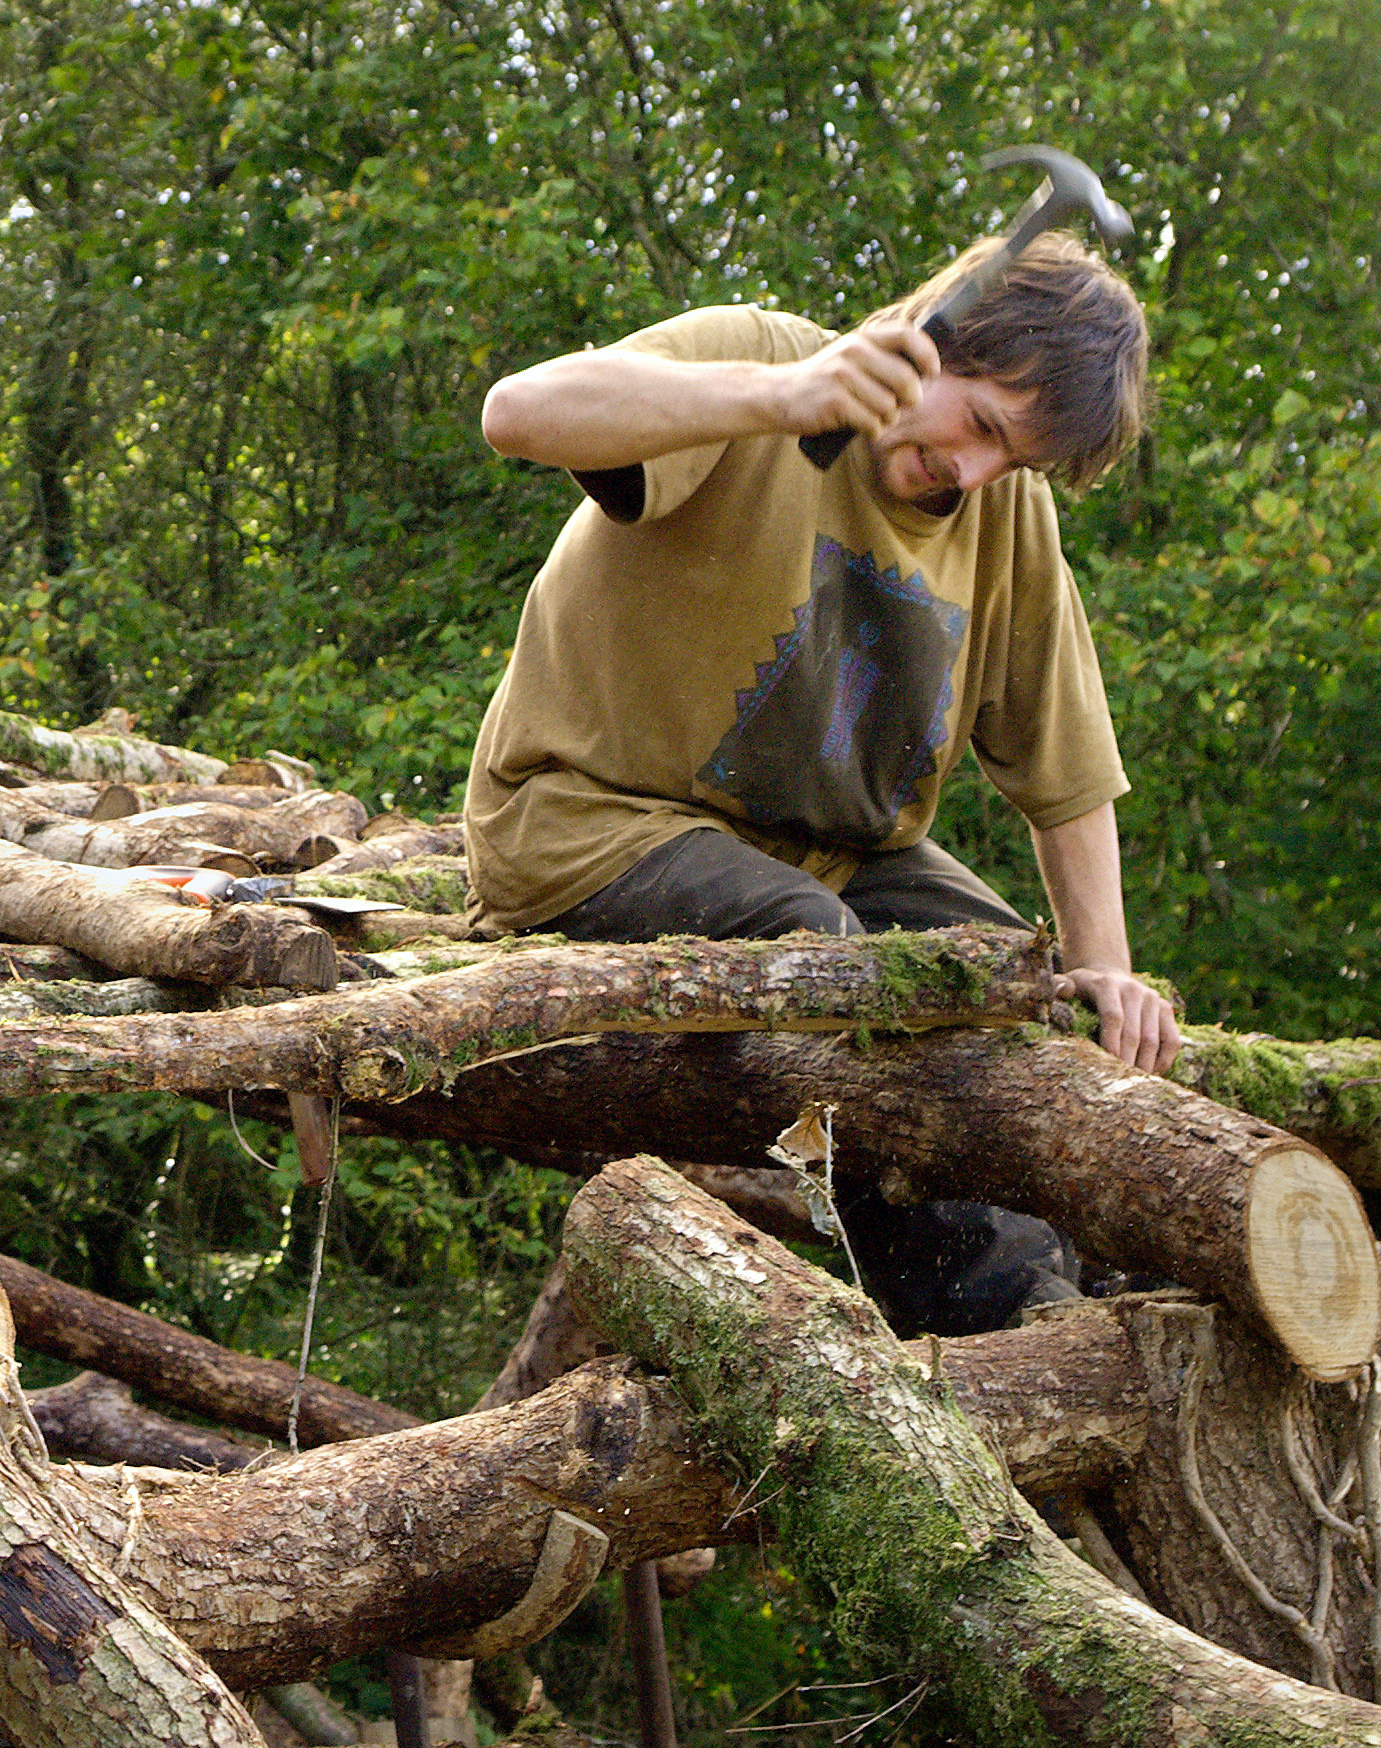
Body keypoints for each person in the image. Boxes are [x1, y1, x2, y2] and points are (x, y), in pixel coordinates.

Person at [463, 232, 1179, 1332]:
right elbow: (517, 411)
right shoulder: (760, 363)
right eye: (980, 426)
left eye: (1014, 463)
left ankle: (1127, 1287)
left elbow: (1067, 771)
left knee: (1013, 987)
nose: (975, 472)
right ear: (933, 338)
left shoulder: (1002, 517)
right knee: (835, 969)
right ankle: (1001, 1336)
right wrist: (776, 395)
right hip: (587, 827)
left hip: (835, 853)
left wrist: (1105, 975)